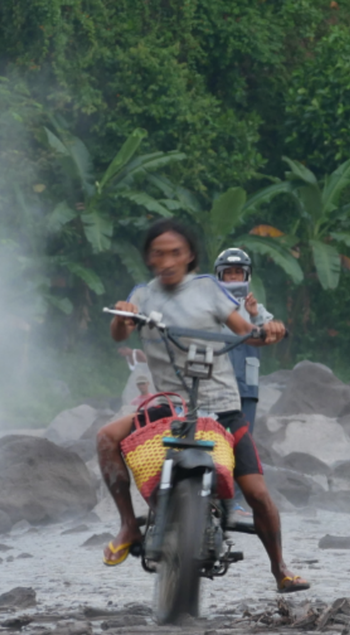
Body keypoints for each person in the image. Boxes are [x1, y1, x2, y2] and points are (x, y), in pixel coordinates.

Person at [97, 218, 309, 594]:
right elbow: (120, 331)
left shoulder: (210, 290)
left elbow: (247, 331)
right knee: (106, 437)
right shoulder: (142, 296)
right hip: (170, 408)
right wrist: (121, 315)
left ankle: (280, 569)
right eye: (159, 253)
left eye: (175, 252)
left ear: (190, 256)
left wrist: (268, 331)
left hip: (223, 409)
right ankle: (129, 525)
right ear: (149, 258)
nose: (167, 260)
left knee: (257, 492)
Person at [213, 247, 273, 427]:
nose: (233, 277)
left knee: (244, 435)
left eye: (238, 272)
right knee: (213, 434)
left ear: (246, 276)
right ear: (219, 276)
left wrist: (254, 315)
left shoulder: (256, 308)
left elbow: (269, 333)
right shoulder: (209, 306)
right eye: (228, 272)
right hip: (215, 382)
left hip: (247, 383)